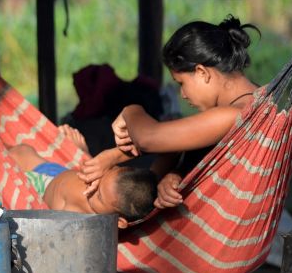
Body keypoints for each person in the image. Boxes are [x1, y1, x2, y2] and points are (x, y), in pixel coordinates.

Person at [79, 16, 260, 209]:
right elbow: (184, 143)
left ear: (202, 72)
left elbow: (148, 137)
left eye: (181, 83)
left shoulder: (235, 114)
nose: (182, 94)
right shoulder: (256, 100)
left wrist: (130, 110)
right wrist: (174, 175)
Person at [8, 125, 158, 228]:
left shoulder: (81, 219)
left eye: (99, 196)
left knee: (8, 164)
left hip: (40, 186)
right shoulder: (105, 188)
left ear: (119, 222)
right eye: (102, 178)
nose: (92, 186)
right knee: (22, 150)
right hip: (57, 172)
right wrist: (83, 154)